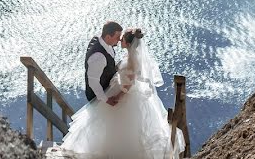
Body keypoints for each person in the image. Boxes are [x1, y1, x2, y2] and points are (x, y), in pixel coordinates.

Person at [49, 26, 186, 159]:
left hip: (125, 94)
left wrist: (118, 96)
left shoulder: (132, 59)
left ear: (127, 42)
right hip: (119, 88)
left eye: (122, 39)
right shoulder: (131, 55)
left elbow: (130, 81)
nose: (119, 41)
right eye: (118, 38)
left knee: (118, 127)